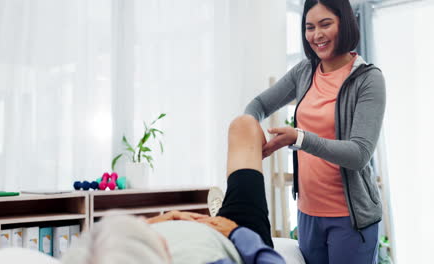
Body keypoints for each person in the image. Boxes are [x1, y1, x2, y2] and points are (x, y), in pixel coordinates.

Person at [244, 0, 385, 263]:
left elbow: (359, 153)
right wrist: (249, 132)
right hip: (308, 215)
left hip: (350, 220)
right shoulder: (304, 72)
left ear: (344, 24)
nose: (316, 34)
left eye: (325, 24)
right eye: (309, 27)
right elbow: (259, 105)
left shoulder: (368, 79)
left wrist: (299, 138)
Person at [62, 115, 285, 264]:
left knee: (243, 125)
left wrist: (160, 221)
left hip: (186, 229)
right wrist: (236, 233)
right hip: (230, 235)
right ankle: (217, 214)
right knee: (244, 125)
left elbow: (96, 240)